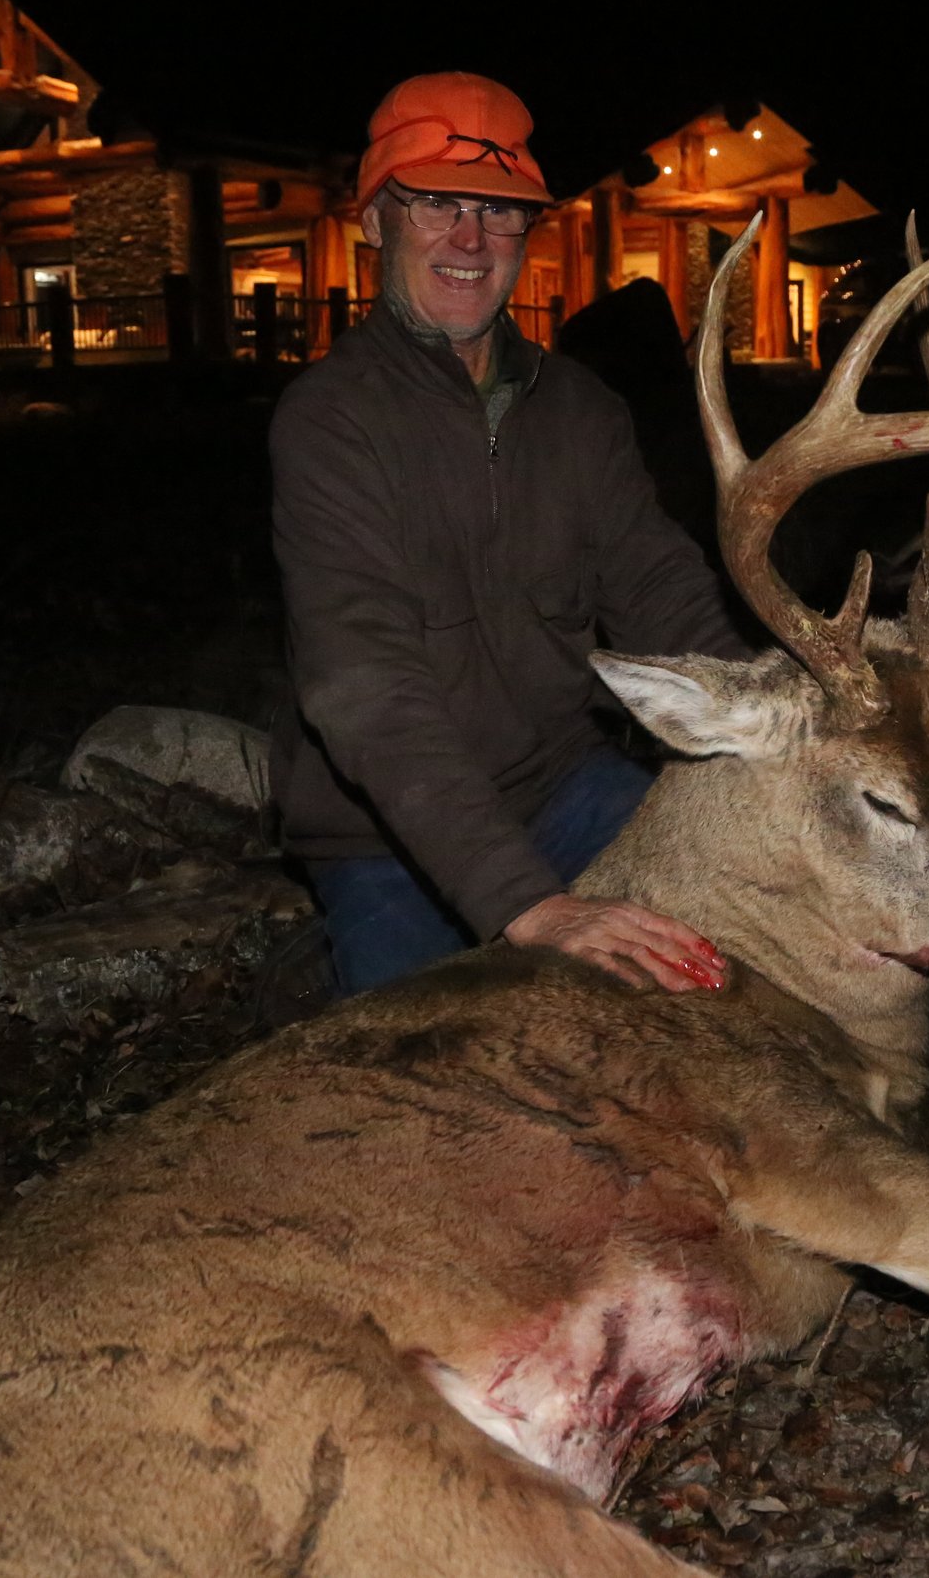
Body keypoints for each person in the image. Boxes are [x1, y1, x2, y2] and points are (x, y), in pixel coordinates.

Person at [267, 72, 748, 1000]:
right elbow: (364, 689)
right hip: (386, 835)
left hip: (568, 789)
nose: (471, 238)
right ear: (375, 220)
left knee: (738, 971)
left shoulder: (578, 408)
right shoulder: (330, 423)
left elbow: (661, 589)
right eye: (437, 203)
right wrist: (532, 906)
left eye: (500, 211)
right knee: (436, 1088)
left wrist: (769, 722)